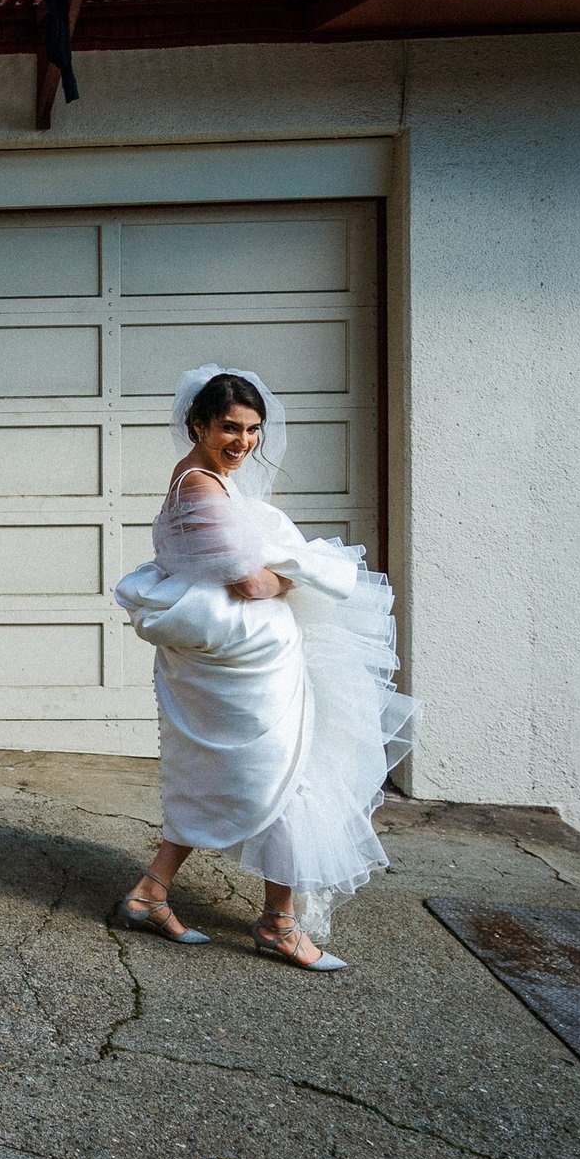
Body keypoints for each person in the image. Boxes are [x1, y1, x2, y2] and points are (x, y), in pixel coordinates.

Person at [110, 366, 418, 969]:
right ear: (197, 424)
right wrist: (293, 575)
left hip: (245, 662)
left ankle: (151, 892)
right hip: (242, 666)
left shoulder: (214, 482)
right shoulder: (200, 486)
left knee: (237, 777)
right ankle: (278, 924)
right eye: (229, 427)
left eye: (253, 430)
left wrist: (284, 576)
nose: (243, 442)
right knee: (283, 775)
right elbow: (249, 582)